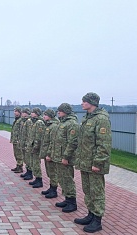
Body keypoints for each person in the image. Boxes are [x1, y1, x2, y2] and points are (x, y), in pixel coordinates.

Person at [74, 92, 112, 233]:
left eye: (84, 101)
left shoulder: (101, 119)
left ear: (92, 103)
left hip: (95, 164)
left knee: (97, 191)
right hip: (85, 162)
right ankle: (90, 214)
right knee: (87, 190)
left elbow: (104, 144)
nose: (82, 103)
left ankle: (97, 220)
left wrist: (98, 163)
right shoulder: (87, 118)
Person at [48, 103, 78, 212]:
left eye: (60, 110)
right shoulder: (62, 123)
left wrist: (66, 156)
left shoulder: (71, 123)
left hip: (65, 158)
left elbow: (73, 142)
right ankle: (67, 199)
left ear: (66, 111)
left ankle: (72, 202)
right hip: (58, 157)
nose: (58, 112)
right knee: (62, 179)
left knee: (68, 179)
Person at [39, 109, 60, 198]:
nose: (44, 116)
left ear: (50, 116)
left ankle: (54, 190)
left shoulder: (54, 126)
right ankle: (51, 188)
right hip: (47, 153)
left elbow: (52, 142)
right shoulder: (48, 125)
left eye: (46, 115)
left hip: (50, 154)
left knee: (53, 172)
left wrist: (49, 154)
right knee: (49, 172)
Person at [27, 107, 45, 188]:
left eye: (33, 112)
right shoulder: (34, 122)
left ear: (37, 113)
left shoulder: (39, 122)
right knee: (33, 163)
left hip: (36, 147)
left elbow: (38, 136)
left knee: (36, 164)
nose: (31, 113)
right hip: (32, 146)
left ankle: (39, 180)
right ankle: (36, 178)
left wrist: (36, 147)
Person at [19, 108, 33, 179]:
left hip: (27, 144)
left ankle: (30, 173)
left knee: (28, 159)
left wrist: (28, 144)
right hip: (23, 143)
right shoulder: (23, 121)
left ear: (27, 113)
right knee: (25, 159)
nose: (22, 113)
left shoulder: (29, 121)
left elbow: (29, 134)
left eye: (23, 112)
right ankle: (27, 171)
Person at [10, 107, 24, 173]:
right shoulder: (16, 120)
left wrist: (20, 139)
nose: (14, 112)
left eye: (16, 111)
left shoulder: (21, 120)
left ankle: (20, 166)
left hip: (19, 140)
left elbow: (22, 130)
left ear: (19, 112)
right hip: (15, 139)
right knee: (16, 153)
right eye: (14, 111)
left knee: (19, 154)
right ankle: (18, 165)